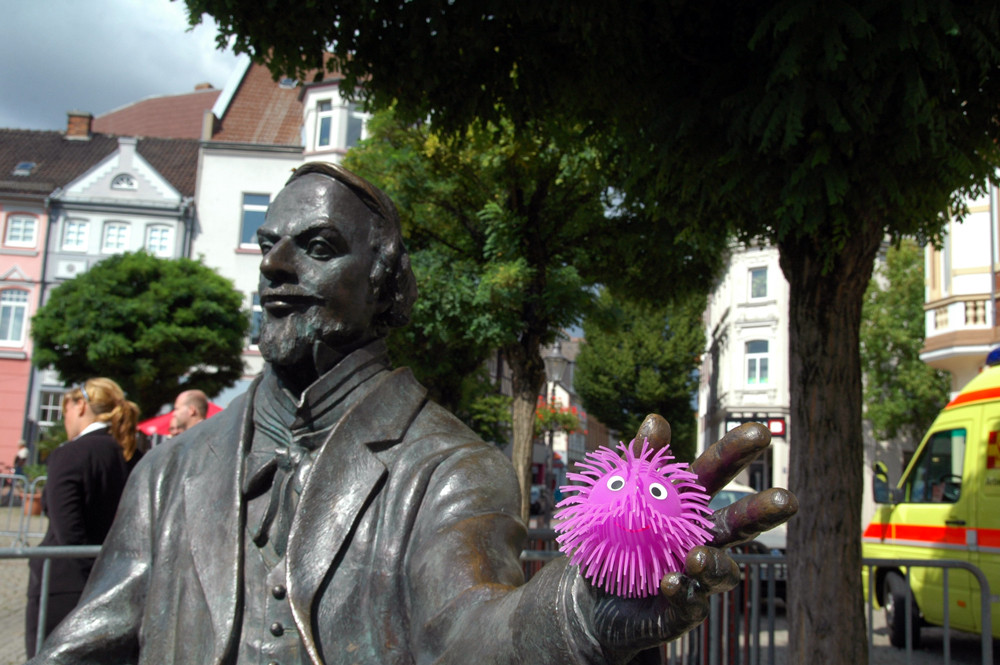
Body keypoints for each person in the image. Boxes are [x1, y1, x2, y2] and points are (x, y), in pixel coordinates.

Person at [26, 163, 797, 664]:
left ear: (386, 284)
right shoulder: (171, 470)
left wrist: (585, 604)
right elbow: (87, 644)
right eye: (269, 244)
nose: (276, 264)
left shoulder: (449, 468)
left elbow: (467, 633)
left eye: (317, 244)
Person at [25, 378, 134, 657]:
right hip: (115, 584)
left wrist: (94, 580)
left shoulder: (70, 454)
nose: (65, 420)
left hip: (65, 585)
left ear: (81, 405)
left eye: (65, 412)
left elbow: (68, 533)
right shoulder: (132, 455)